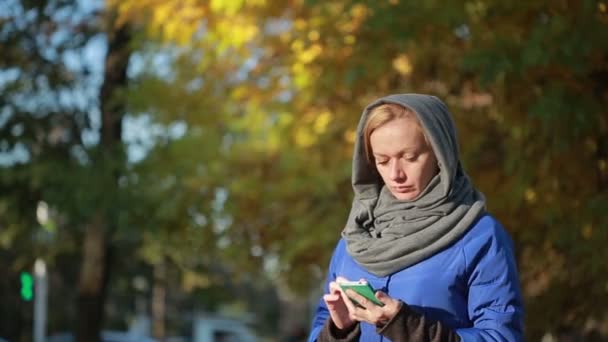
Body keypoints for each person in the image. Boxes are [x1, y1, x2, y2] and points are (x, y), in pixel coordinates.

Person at [307, 94, 524, 341]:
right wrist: (339, 331)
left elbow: (501, 337)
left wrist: (407, 327)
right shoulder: (355, 236)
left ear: (440, 154)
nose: (395, 174)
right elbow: (320, 325)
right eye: (382, 161)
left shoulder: (479, 236)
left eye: (410, 158)